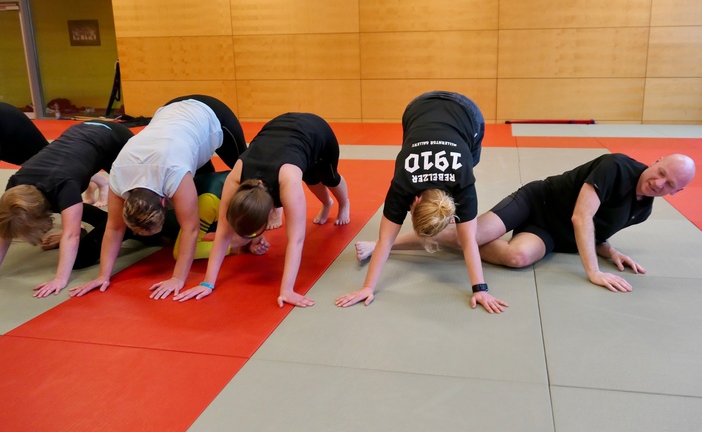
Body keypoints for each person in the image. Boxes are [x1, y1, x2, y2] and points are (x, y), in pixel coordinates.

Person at [356, 153, 696, 293]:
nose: (658, 182)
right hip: (537, 201)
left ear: (677, 192)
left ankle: (457, 240)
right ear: (656, 161)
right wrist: (593, 271)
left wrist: (610, 250)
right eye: (660, 172)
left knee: (517, 257)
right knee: (472, 235)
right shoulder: (616, 167)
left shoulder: (642, 211)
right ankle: (383, 244)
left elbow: (597, 228)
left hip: (549, 233)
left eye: (669, 184)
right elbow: (582, 216)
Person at [335, 91, 508, 314]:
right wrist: (367, 287)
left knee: (469, 158)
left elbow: (468, 241)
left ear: (414, 201)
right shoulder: (405, 183)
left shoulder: (461, 180)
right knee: (446, 153)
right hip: (426, 110)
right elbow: (466, 242)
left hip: (451, 112)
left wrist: (480, 289)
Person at [68, 95, 246, 300]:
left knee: (246, 170)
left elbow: (191, 229)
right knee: (196, 180)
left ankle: (272, 210)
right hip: (170, 116)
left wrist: (177, 278)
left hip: (211, 112)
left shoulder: (175, 176)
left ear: (164, 201)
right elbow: (114, 228)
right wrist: (103, 276)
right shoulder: (119, 176)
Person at [173, 112, 350, 306]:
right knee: (311, 178)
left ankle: (343, 204)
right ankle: (327, 203)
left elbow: (296, 240)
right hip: (279, 135)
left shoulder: (289, 182)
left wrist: (287, 290)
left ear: (270, 212)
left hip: (315, 131)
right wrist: (207, 283)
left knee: (328, 177)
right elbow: (223, 233)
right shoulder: (235, 179)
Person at [0, 120, 134, 297]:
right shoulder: (15, 186)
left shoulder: (64, 186)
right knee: (65, 208)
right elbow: (4, 230)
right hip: (83, 131)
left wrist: (60, 279)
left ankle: (142, 228)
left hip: (115, 138)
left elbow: (72, 235)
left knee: (133, 198)